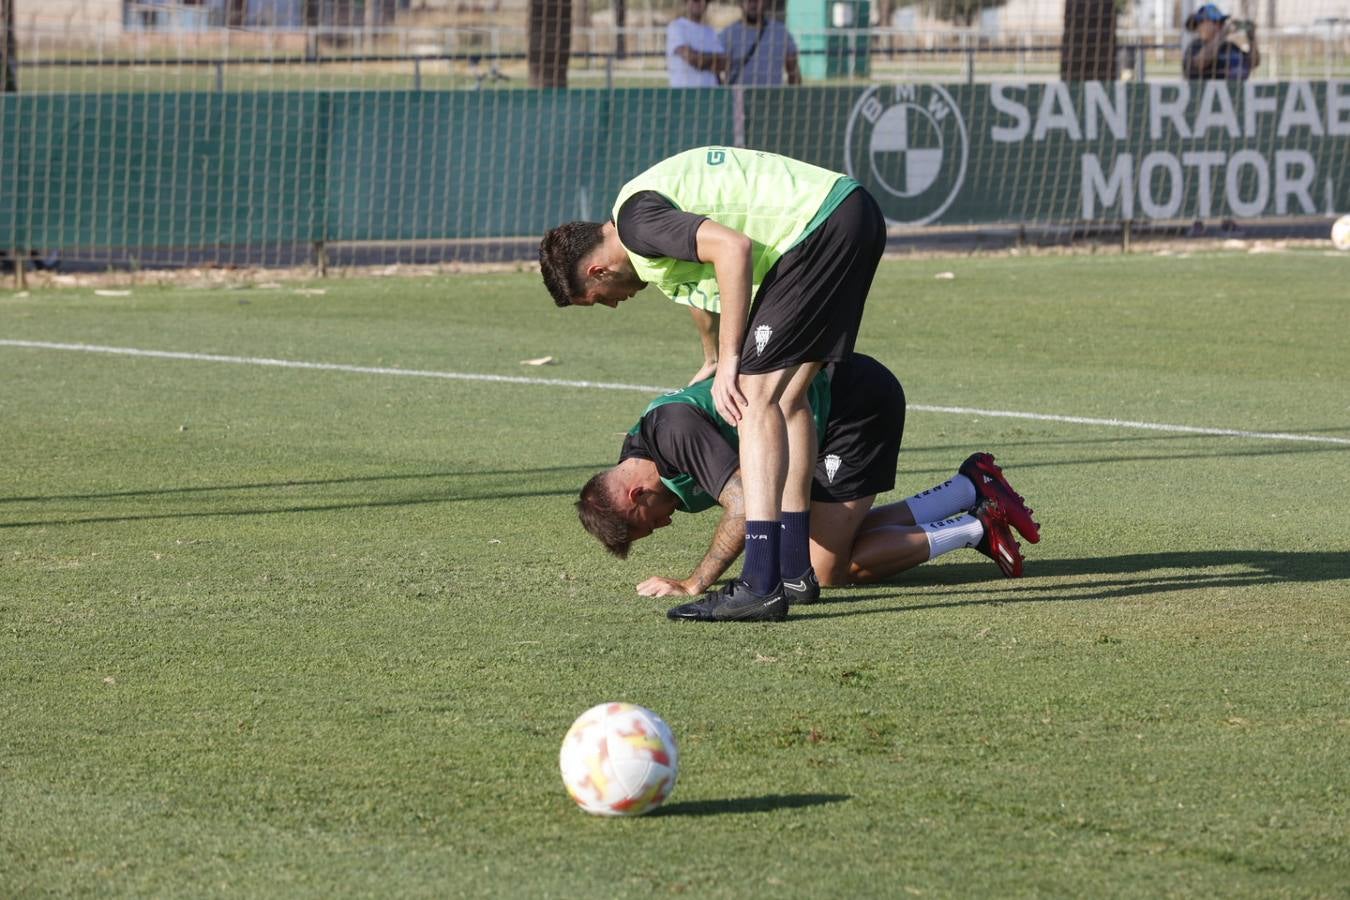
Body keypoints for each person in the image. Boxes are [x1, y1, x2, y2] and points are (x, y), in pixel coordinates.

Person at [539, 147, 885, 622]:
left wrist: (730, 365)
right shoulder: (645, 231)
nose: (614, 305)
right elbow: (704, 287)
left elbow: (731, 249)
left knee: (756, 399)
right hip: (847, 213)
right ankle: (793, 571)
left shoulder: (636, 225)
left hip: (815, 228)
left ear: (596, 270)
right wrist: (712, 355)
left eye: (599, 299)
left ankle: (760, 583)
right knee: (788, 398)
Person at [575, 354, 1042, 621]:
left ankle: (977, 525)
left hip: (850, 409)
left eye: (647, 526)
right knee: (825, 542)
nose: (663, 524)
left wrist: (695, 583)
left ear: (636, 496)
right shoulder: (640, 451)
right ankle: (967, 490)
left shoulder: (672, 435)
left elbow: (743, 508)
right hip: (815, 426)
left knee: (829, 569)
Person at [719, 0, 801, 86]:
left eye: (758, 1)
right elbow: (716, 72)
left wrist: (794, 97)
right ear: (740, 3)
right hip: (738, 97)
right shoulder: (728, 35)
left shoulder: (780, 32)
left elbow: (794, 72)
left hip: (773, 97)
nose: (753, 4)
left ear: (766, 3)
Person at [1182, 3, 1259, 81]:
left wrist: (1251, 38)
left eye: (1222, 22)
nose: (1220, 25)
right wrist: (1223, 34)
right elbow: (1200, 63)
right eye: (1215, 21)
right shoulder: (1195, 46)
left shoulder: (1229, 46)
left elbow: (1253, 62)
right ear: (1201, 24)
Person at [667, 0, 726, 88]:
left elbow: (723, 63)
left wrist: (701, 59)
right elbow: (693, 59)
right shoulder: (677, 27)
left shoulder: (710, 31)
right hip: (685, 95)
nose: (701, 3)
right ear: (686, 2)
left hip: (711, 95)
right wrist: (713, 59)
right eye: (696, 0)